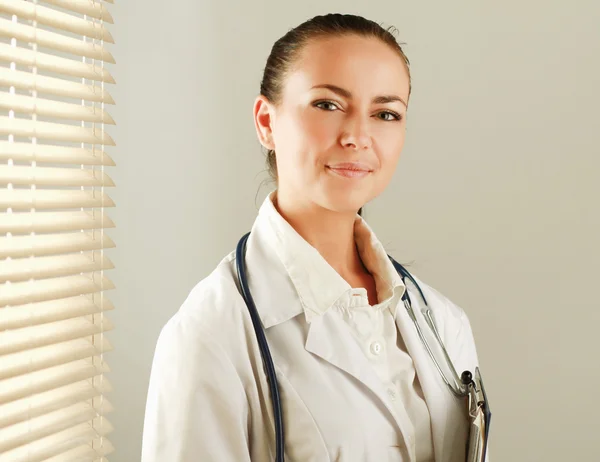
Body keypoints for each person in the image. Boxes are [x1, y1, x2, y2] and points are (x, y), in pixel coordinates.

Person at [141, 13, 485, 462]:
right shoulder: (210, 336)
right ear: (266, 121)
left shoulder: (442, 321)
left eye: (385, 113)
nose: (358, 136)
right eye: (328, 104)